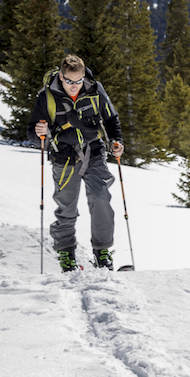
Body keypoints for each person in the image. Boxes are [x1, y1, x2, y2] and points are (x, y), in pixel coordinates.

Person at [27, 54, 125, 272]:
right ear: (61, 76)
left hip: (94, 151)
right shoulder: (47, 96)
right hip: (63, 155)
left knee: (100, 198)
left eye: (78, 81)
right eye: (69, 81)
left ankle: (102, 252)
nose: (74, 86)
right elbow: (33, 133)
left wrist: (116, 142)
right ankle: (66, 255)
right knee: (66, 208)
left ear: (84, 77)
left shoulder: (95, 89)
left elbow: (111, 119)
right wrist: (39, 134)